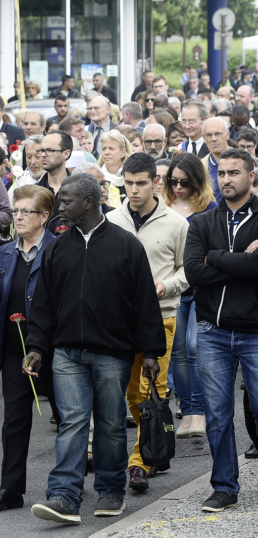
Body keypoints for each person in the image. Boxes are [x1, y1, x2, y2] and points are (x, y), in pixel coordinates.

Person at [26, 174, 166, 523]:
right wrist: (37, 346)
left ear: (89, 202)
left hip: (112, 353)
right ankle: (63, 496)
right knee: (72, 423)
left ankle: (110, 491)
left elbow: (144, 302)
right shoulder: (57, 247)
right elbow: (43, 304)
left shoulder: (126, 245)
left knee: (110, 425)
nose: (60, 207)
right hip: (66, 353)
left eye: (67, 201)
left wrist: (151, 351)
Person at [105, 153, 188, 490]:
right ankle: (153, 447)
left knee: (150, 391)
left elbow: (188, 268)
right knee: (129, 396)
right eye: (129, 183)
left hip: (162, 317)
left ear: (155, 182)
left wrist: (167, 285)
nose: (134, 189)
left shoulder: (176, 223)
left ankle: (139, 462)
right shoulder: (110, 220)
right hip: (119, 322)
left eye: (141, 183)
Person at [184, 148, 258, 513]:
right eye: (222, 173)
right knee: (217, 414)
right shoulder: (202, 222)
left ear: (251, 174)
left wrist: (215, 257)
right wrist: (242, 261)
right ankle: (225, 487)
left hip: (255, 331)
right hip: (211, 330)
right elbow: (194, 273)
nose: (226, 178)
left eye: (234, 172)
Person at [0, 185, 58, 511]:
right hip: (14, 349)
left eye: (27, 211)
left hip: (55, 350)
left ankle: (66, 487)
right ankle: (11, 489)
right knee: (14, 419)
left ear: (44, 216)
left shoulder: (57, 250)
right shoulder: (8, 251)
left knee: (68, 418)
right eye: (16, 211)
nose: (19, 217)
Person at [162, 153, 216, 442]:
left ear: (197, 181)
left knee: (196, 347)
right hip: (175, 288)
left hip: (203, 287)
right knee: (179, 352)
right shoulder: (164, 207)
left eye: (185, 182)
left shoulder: (209, 207)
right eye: (173, 181)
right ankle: (189, 409)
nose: (179, 187)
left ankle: (202, 411)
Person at [37, 131, 72, 232]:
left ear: (66, 154)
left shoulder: (78, 191)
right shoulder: (34, 191)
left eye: (49, 150)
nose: (43, 155)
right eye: (42, 150)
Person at [200, 117, 230, 201]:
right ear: (203, 138)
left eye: (218, 134)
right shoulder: (200, 166)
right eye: (209, 135)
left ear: (227, 134)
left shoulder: (243, 160)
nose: (213, 139)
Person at [99, 130, 132, 198]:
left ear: (123, 152)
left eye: (111, 149)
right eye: (104, 149)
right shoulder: (97, 177)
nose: (106, 152)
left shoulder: (133, 175)